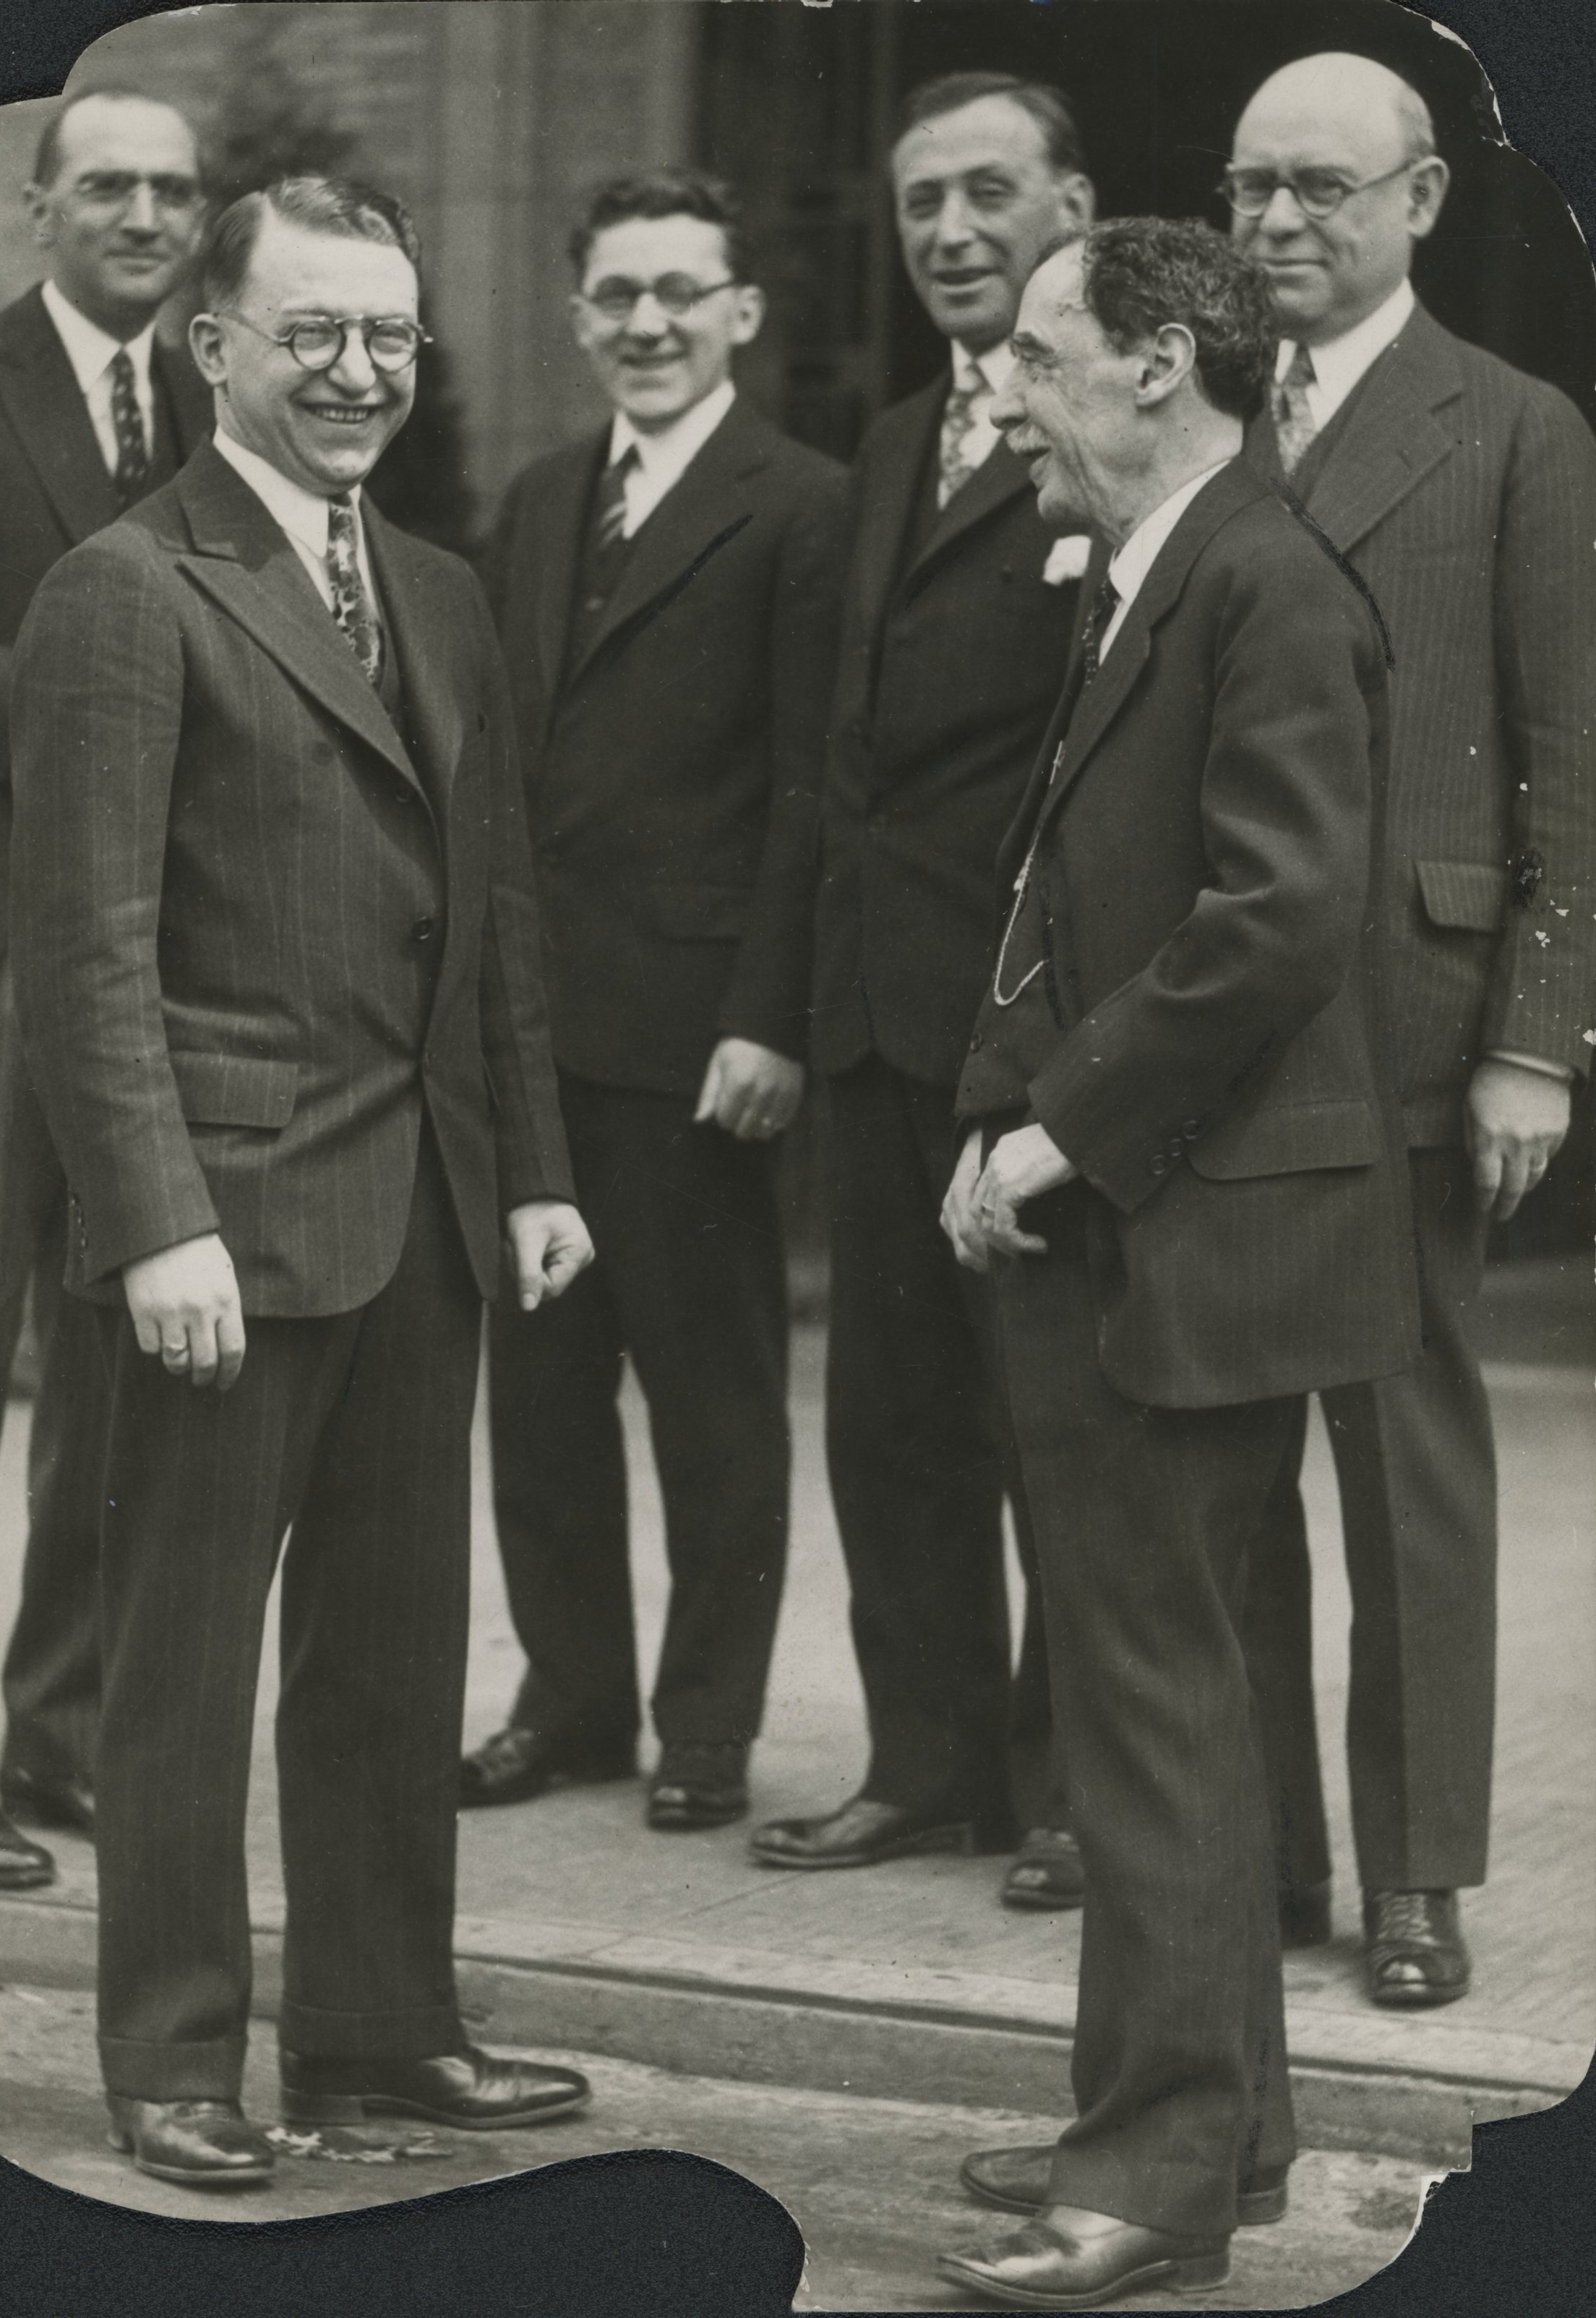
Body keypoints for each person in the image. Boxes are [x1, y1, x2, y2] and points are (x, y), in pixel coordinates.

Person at [9, 175, 596, 2187]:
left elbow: (491, 904)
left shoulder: (433, 587)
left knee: (392, 1653)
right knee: (181, 1665)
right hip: (225, 1230)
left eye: (390, 336)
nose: (359, 371)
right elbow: (89, 945)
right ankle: (173, 2055)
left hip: (420, 1210)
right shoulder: (125, 587)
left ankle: (377, 2032)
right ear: (216, 347)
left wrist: (533, 1167)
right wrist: (154, 1217)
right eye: (315, 332)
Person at [932, 219, 1420, 2307]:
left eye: (1038, 360)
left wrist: (1056, 1129)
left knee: (1151, 1713)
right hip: (1171, 1226)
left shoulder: (1258, 578)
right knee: (1174, 1703)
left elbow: (1277, 913)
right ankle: (1206, 2130)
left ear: (1157, 365)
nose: (1004, 399)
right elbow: (1090, 899)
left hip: (1186, 1237)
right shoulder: (1177, 568)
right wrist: (1005, 1114)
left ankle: (1148, 2176)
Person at [1226, 52, 1596, 2006]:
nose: (1276, 221)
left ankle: (1416, 1873)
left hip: (1410, 1023)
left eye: (1319, 186)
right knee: (1216, 1456)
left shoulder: (1514, 427)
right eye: (1248, 187)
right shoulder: (1196, 408)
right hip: (1209, 1026)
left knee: (1405, 1469)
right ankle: (1262, 1851)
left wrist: (1535, 1037)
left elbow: (1573, 758)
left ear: (1422, 199)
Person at [460, 169, 846, 1834]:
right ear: (576, 316)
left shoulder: (805, 505)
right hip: (537, 1035)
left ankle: (705, 1724)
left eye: (681, 291)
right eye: (617, 294)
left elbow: (815, 790)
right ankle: (570, 1698)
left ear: (741, 312)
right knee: (541, 1399)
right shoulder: (545, 499)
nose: (647, 322)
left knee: (711, 1404)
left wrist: (771, 1016)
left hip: (699, 1044)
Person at [751, 73, 1095, 1899]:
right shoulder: (892, 443)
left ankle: (1069, 1786)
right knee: (888, 1416)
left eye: (986, 193)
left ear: (1071, 209)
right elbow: (844, 758)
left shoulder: (1122, 421)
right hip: (879, 1017)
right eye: (920, 205)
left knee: (1048, 1416)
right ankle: (928, 1761)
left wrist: (1055, 1043)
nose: (950, 234)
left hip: (1029, 1020)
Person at [0, 87, 212, 1892]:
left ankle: (68, 1730)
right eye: (108, 185)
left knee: (118, 1372)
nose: (145, 215)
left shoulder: (217, 409)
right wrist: (88, 700)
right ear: (41, 206)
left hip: (170, 955)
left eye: (174, 190)